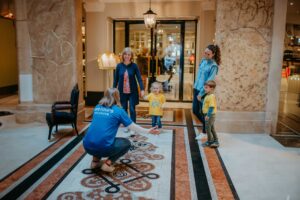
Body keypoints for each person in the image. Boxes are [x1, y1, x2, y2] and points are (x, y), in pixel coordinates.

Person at [83, 88, 160, 173]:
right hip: (103, 147)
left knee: (98, 136)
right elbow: (133, 127)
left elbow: (101, 124)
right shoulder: (119, 111)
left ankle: (95, 162)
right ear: (117, 97)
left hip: (87, 146)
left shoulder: (97, 107)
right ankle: (107, 164)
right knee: (126, 143)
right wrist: (148, 131)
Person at [193, 44, 221, 136]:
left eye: (208, 54)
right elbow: (199, 76)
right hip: (196, 88)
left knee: (204, 112)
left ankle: (205, 132)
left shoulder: (214, 66)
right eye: (205, 53)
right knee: (195, 110)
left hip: (204, 92)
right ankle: (208, 126)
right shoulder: (203, 61)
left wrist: (201, 93)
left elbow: (209, 81)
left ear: (213, 54)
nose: (205, 55)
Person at [113, 47, 145, 125]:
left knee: (132, 109)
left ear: (131, 56)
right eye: (125, 54)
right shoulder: (119, 66)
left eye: (129, 55)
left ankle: (133, 125)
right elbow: (115, 79)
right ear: (123, 55)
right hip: (122, 92)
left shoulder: (134, 66)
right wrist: (113, 90)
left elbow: (139, 78)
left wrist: (142, 89)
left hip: (132, 92)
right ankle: (126, 124)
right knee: (123, 109)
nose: (127, 56)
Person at [199, 80, 219, 148]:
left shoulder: (211, 96)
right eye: (204, 87)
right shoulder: (208, 95)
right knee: (212, 128)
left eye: (206, 87)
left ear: (212, 88)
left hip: (210, 115)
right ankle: (216, 141)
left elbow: (211, 107)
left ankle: (209, 141)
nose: (205, 89)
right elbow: (205, 104)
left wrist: (208, 115)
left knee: (208, 129)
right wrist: (200, 100)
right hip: (208, 115)